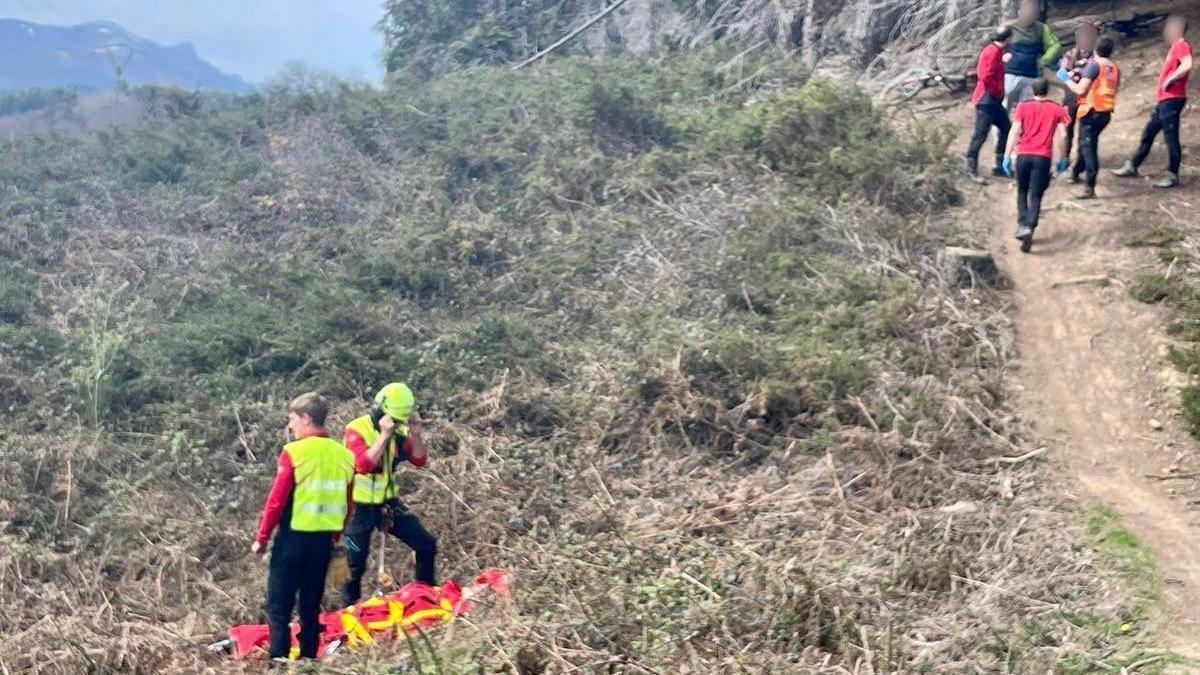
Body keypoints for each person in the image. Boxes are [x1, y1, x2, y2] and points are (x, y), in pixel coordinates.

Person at [251, 392, 356, 662]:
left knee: (279, 605)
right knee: (310, 604)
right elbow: (348, 504)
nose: (291, 426)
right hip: (323, 543)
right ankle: (309, 661)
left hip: (292, 540)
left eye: (293, 420)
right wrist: (336, 535)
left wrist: (262, 538)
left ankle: (279, 661)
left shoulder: (294, 452)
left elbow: (276, 501)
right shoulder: (344, 455)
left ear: (307, 419)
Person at [341, 382, 437, 605]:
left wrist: (415, 433)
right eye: (394, 419)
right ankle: (348, 614)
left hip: (387, 504)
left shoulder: (400, 431)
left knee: (426, 544)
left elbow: (419, 460)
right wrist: (384, 436)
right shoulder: (356, 430)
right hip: (357, 507)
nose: (396, 424)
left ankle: (427, 596)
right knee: (354, 566)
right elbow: (363, 465)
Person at [1112, 15, 1192, 188]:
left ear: (1177, 29)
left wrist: (1171, 78)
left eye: (1169, 28)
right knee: (1149, 132)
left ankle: (1172, 174)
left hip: (1172, 99)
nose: (1166, 31)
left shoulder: (1181, 45)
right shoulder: (1174, 48)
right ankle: (1133, 164)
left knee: (1171, 137)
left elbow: (1187, 65)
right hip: (1165, 101)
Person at [1003, 78, 1070, 253]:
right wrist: (1063, 157)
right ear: (1048, 91)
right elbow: (1062, 135)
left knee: (1022, 190)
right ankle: (1030, 226)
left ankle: (1022, 223)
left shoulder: (1023, 107)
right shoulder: (1056, 109)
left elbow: (1014, 130)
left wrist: (1007, 154)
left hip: (1023, 154)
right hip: (1042, 157)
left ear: (1032, 90)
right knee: (1036, 193)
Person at [1062, 37, 1119, 199]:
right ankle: (1075, 172)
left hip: (1092, 111)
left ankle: (1090, 186)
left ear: (1095, 50)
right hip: (1105, 112)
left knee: (1088, 148)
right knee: (1085, 143)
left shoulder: (1094, 66)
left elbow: (1080, 90)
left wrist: (1066, 78)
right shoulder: (1113, 67)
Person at [966, 27, 1013, 183]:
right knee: (980, 134)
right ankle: (971, 167)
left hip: (993, 100)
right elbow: (985, 76)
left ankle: (999, 165)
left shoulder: (994, 50)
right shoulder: (992, 52)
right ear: (1007, 39)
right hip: (987, 100)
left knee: (1006, 127)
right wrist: (997, 91)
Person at [1004, 0, 1062, 114]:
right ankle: (1000, 132)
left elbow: (1055, 45)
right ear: (1019, 11)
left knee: (1027, 110)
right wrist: (1002, 55)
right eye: (1027, 9)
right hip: (1010, 74)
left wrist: (1043, 60)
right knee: (1004, 107)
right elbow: (994, 43)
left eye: (1033, 10)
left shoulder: (1042, 28)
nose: (1030, 12)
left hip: (1031, 75)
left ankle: (1025, 132)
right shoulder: (1009, 27)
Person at [1058, 21, 1099, 164]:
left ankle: (1081, 160)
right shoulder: (1071, 53)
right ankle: (1066, 156)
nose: (1085, 39)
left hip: (1088, 98)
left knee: (1085, 130)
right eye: (1081, 36)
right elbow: (1062, 71)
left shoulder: (1096, 56)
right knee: (1067, 127)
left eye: (1088, 35)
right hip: (1070, 96)